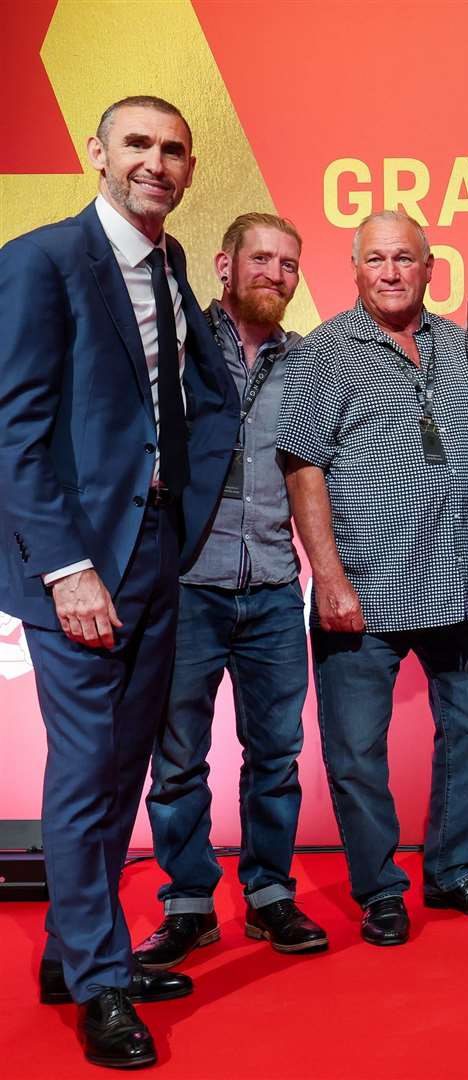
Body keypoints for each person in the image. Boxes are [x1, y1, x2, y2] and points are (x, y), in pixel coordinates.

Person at [0, 95, 239, 1068]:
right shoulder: (40, 261)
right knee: (86, 769)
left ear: (189, 169)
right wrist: (66, 570)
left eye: (172, 149)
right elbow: (13, 436)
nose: (155, 161)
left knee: (124, 769)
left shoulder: (173, 265)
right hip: (79, 570)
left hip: (154, 556)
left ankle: (74, 949)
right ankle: (99, 984)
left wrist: (183, 511)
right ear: (97, 153)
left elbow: (190, 405)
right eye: (136, 144)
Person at [278, 210, 468, 949]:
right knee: (355, 753)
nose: (389, 272)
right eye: (375, 259)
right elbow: (301, 464)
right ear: (354, 269)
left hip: (452, 585)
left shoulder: (460, 345)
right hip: (363, 591)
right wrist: (329, 576)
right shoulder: (326, 352)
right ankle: (381, 889)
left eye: (404, 259)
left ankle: (452, 871)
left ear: (430, 267)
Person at [135, 213, 326, 970]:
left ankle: (270, 893)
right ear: (224, 263)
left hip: (277, 589)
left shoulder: (310, 362)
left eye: (288, 264)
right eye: (261, 259)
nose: (274, 275)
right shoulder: (180, 346)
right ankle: (187, 906)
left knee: (276, 755)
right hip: (187, 586)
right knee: (176, 759)